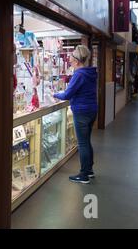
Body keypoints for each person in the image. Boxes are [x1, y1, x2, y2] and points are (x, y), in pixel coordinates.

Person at [54, 45, 97, 184]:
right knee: (87, 141)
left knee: (83, 143)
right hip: (91, 110)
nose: (69, 59)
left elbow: (67, 94)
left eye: (71, 57)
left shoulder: (79, 74)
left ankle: (84, 174)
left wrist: (53, 94)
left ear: (77, 60)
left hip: (82, 111)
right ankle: (89, 170)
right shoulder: (90, 72)